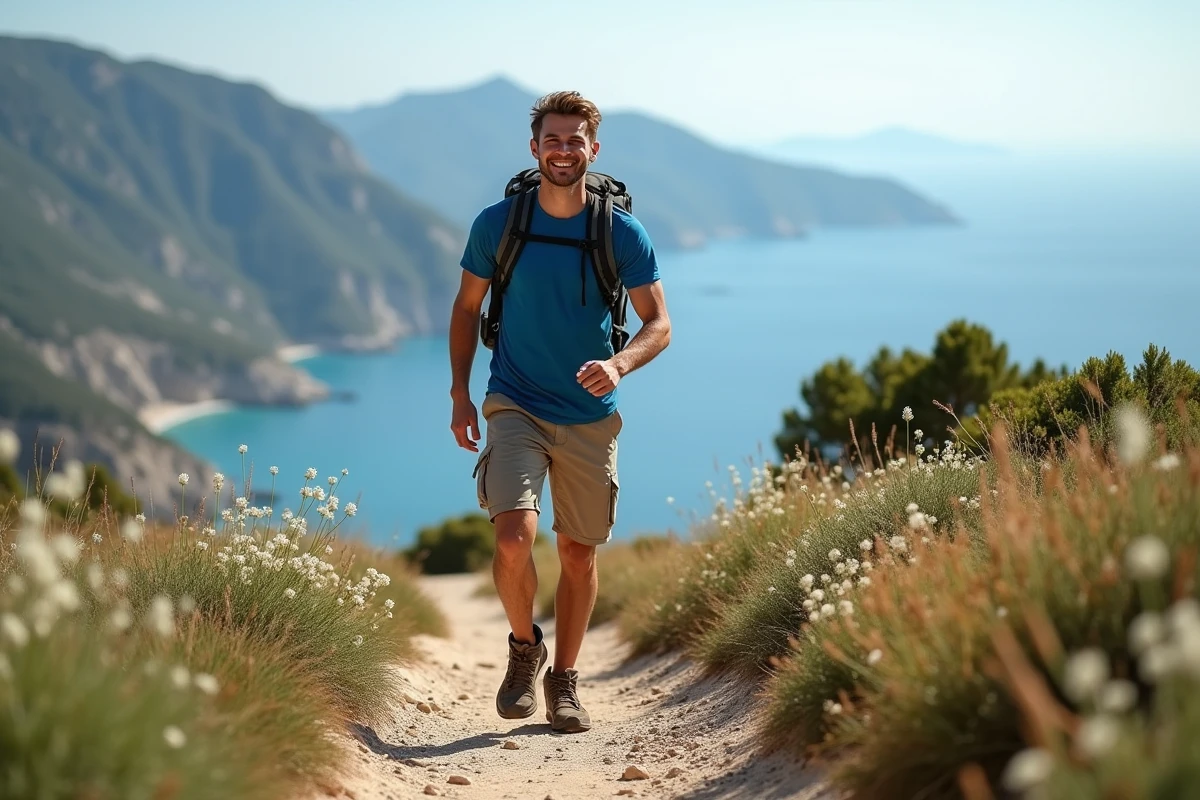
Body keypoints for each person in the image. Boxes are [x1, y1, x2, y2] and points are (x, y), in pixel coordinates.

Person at [448, 90, 671, 733]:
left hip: (589, 413)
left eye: (576, 141)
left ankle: (564, 680)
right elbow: (467, 307)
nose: (564, 150)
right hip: (513, 399)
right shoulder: (499, 224)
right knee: (513, 536)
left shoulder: (619, 232)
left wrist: (619, 365)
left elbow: (658, 323)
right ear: (534, 147)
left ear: (593, 149)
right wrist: (460, 393)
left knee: (577, 552)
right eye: (553, 140)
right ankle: (525, 649)